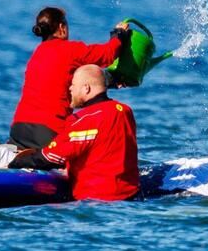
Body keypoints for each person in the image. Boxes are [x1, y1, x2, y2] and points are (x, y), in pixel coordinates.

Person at [10, 64, 139, 201]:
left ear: (86, 88)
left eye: (73, 84)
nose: (70, 89)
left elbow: (51, 157)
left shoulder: (84, 120)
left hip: (95, 202)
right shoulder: (124, 111)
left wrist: (16, 163)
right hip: (131, 196)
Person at [9, 6, 130, 149]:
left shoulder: (37, 55)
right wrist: (119, 35)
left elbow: (63, 81)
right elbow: (107, 54)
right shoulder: (70, 50)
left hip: (18, 130)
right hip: (48, 132)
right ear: (62, 27)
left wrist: (109, 81)